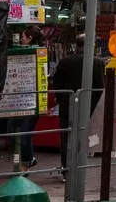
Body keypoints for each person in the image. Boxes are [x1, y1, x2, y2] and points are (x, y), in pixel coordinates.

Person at [50, 34, 104, 179]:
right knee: (84, 137)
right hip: (89, 108)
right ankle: (81, 168)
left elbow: (57, 83)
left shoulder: (65, 62)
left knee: (67, 138)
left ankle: (67, 170)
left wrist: (63, 99)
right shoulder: (97, 63)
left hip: (68, 106)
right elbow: (100, 87)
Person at [9, 26, 45, 168]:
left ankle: (27, 161)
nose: (21, 40)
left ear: (30, 39)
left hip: (31, 101)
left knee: (25, 135)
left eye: (23, 37)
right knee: (13, 134)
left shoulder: (40, 54)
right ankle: (22, 162)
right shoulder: (19, 54)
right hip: (17, 101)